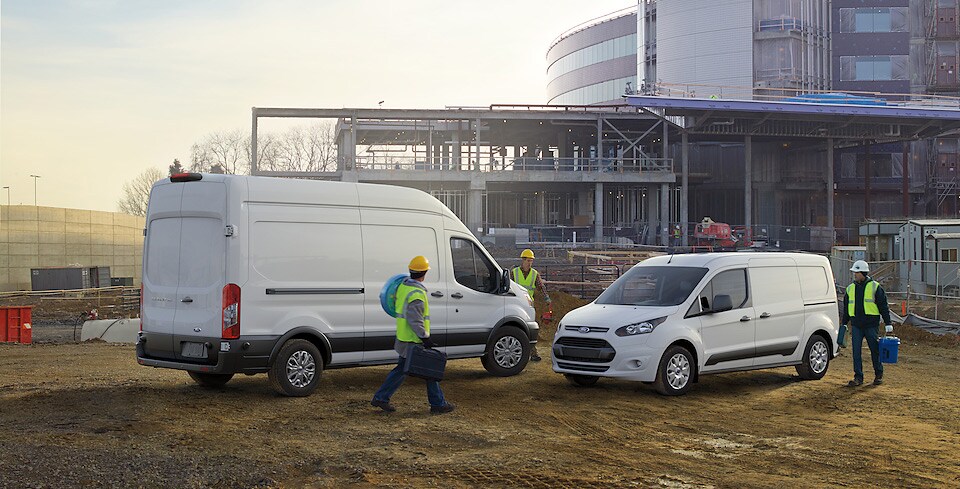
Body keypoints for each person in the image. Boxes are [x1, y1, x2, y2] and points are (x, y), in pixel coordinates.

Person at [371, 256, 455, 414]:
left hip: (403, 337)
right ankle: (438, 404)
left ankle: (381, 398)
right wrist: (425, 337)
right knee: (430, 370)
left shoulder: (403, 286)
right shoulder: (417, 294)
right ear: (424, 273)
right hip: (412, 339)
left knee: (402, 370)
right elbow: (415, 320)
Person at [841, 260, 894, 387]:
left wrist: (888, 322)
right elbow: (847, 309)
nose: (855, 274)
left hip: (871, 325)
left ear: (863, 273)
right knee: (856, 352)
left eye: (856, 272)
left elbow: (883, 306)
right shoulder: (850, 289)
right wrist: (844, 323)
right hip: (857, 325)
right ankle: (858, 377)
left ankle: (878, 374)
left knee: (874, 350)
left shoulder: (875, 287)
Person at [511, 249, 550, 362]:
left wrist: (546, 297)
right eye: (528, 260)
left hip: (529, 305)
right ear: (523, 260)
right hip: (516, 305)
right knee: (516, 330)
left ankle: (533, 353)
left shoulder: (534, 274)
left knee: (531, 330)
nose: (530, 263)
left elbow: (541, 287)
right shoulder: (514, 272)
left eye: (531, 261)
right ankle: (517, 353)